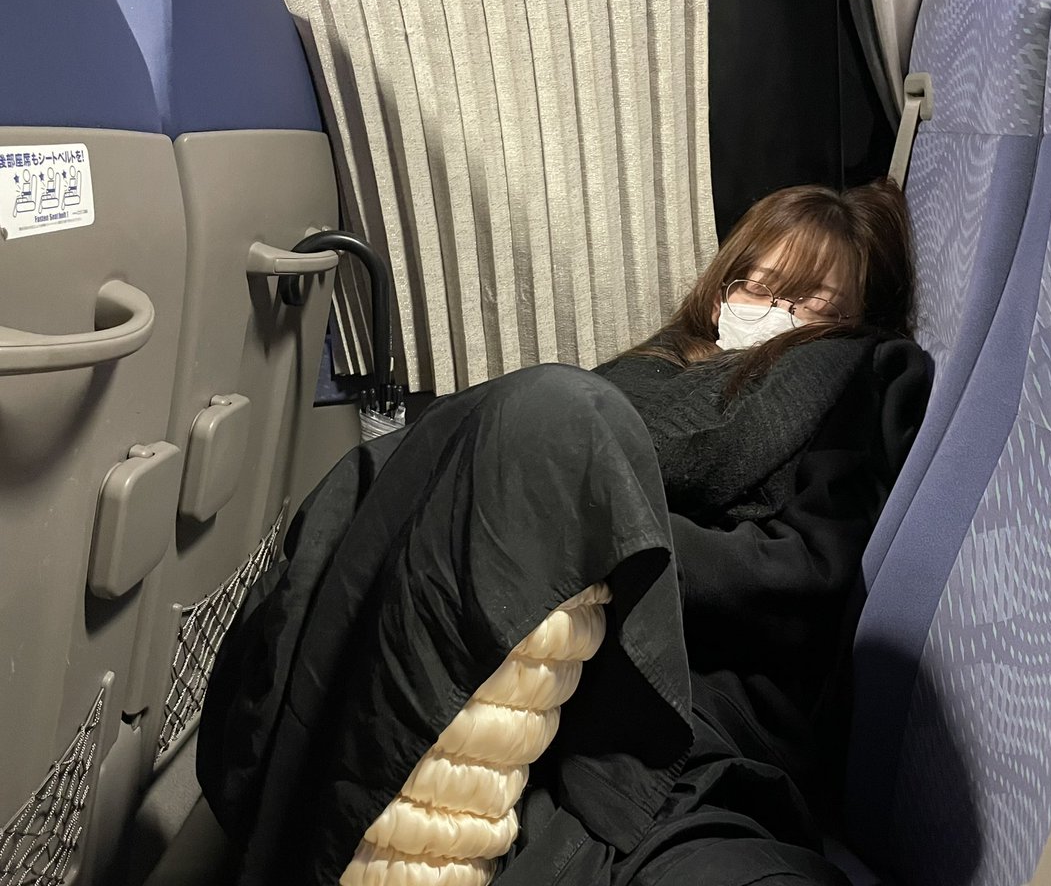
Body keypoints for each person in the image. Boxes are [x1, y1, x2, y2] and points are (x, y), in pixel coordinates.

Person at [197, 179, 931, 886]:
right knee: (484, 433)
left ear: (853, 319)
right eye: (759, 288)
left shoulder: (854, 379)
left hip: (687, 676)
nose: (775, 313)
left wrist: (610, 534)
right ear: (722, 292)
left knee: (563, 422)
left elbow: (806, 569)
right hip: (546, 627)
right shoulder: (650, 371)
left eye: (811, 303)